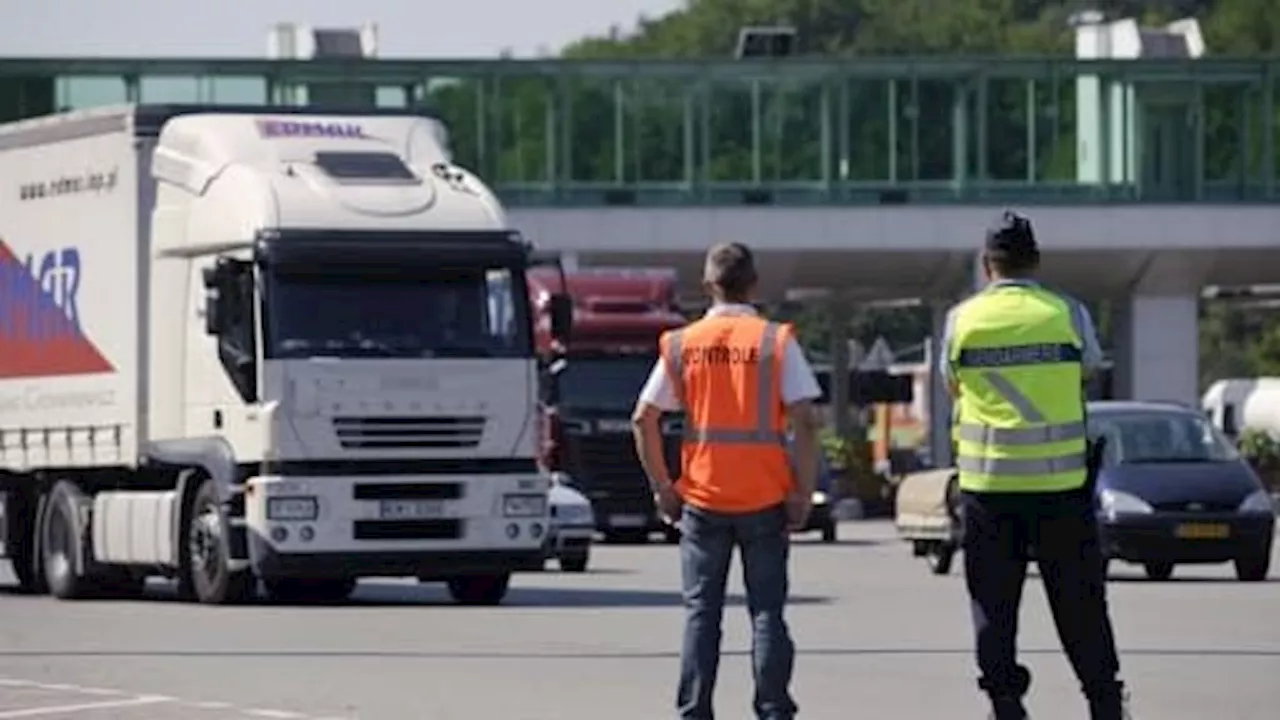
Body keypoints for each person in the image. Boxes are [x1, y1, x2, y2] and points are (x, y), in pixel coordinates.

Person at [940, 210, 1129, 720]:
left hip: (988, 486)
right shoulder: (1068, 313)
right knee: (1080, 602)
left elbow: (952, 384)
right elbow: (1089, 368)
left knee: (993, 606)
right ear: (1037, 261)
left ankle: (1005, 701)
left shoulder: (961, 319)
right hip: (1061, 487)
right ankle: (1104, 701)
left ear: (987, 265)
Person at [631, 241, 822, 720]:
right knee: (767, 613)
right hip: (764, 497)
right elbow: (807, 420)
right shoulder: (775, 342)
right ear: (753, 284)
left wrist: (662, 486)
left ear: (708, 286)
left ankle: (695, 711)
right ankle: (774, 708)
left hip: (702, 499)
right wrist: (801, 491)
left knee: (702, 614)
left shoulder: (682, 343)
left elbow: (643, 418)